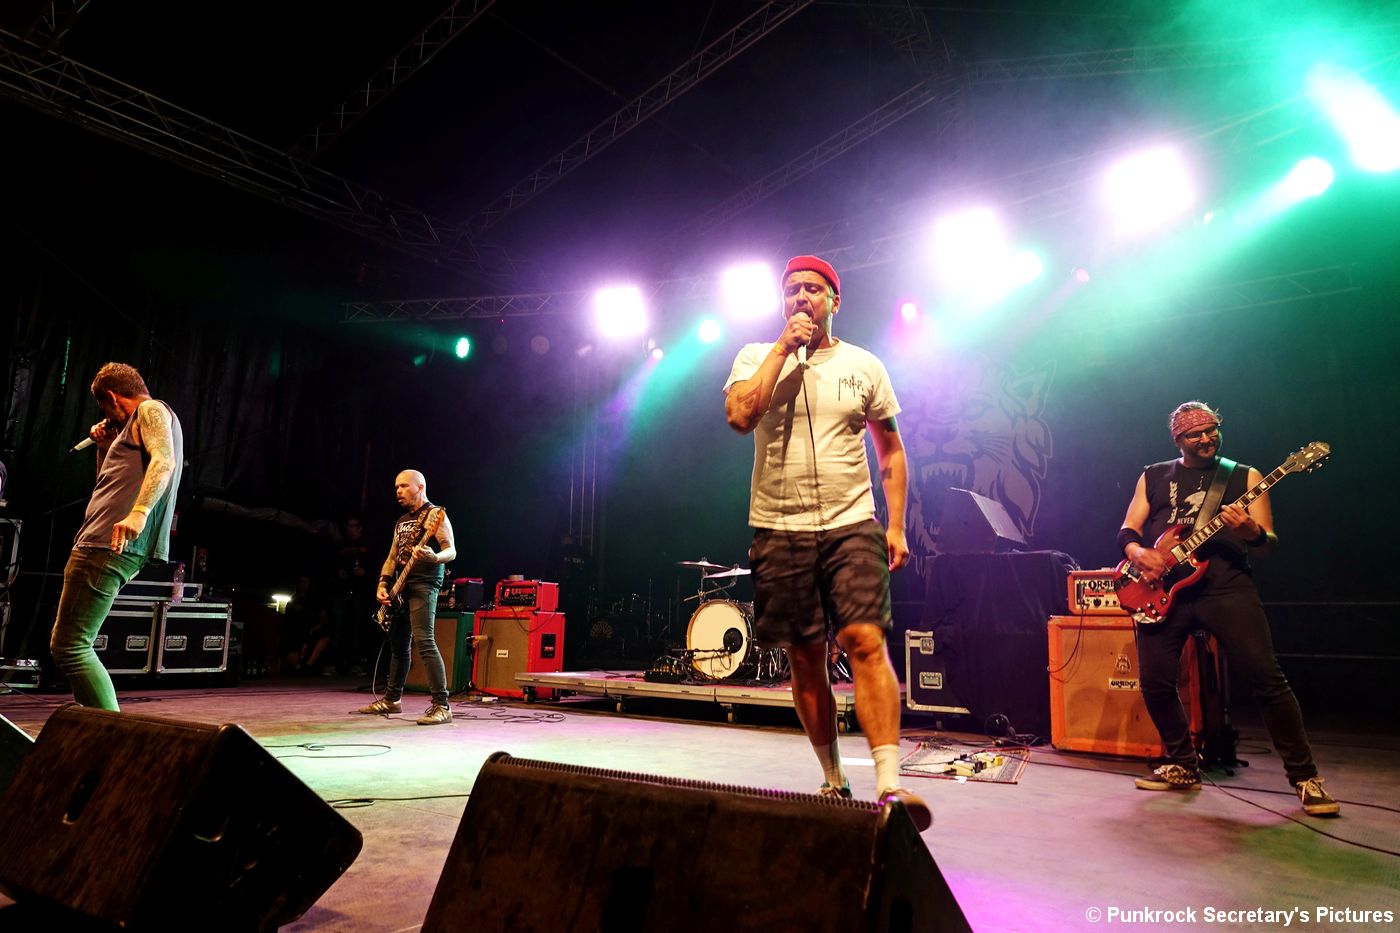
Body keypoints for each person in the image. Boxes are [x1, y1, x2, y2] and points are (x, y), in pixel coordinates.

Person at [723, 256, 931, 831]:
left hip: (851, 523)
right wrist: (783, 350)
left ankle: (889, 785)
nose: (801, 297)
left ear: (834, 300)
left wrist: (895, 525)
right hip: (778, 525)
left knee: (865, 639)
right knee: (804, 656)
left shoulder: (864, 365)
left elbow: (891, 450)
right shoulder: (755, 356)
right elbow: (740, 416)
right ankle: (834, 778)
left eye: (813, 289)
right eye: (791, 289)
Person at [1118, 401, 1339, 816]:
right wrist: (1137, 551)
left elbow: (1268, 543)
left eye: (1212, 430)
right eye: (1195, 434)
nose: (1206, 439)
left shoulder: (1245, 476)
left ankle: (1305, 778)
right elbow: (1129, 527)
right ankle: (1183, 764)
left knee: (1267, 681)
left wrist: (1251, 531)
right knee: (1155, 683)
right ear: (1178, 439)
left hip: (1226, 589)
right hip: (1165, 590)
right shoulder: (1153, 475)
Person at [50, 362, 183, 710]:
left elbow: (164, 462)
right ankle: (100, 724)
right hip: (104, 541)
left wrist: (139, 512)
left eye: (105, 409)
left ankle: (110, 729)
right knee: (73, 645)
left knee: (71, 646)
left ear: (111, 397)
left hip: (103, 544)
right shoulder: (132, 429)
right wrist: (105, 447)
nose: (107, 417)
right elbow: (108, 486)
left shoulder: (150, 410)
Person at [357, 470, 456, 725]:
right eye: (396, 487)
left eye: (403, 486)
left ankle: (442, 705)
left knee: (425, 641)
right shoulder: (401, 521)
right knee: (399, 645)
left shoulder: (434, 514)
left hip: (424, 582)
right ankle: (392, 700)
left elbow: (451, 550)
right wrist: (383, 583)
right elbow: (392, 556)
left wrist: (435, 557)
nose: (398, 491)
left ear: (420, 487)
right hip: (400, 585)